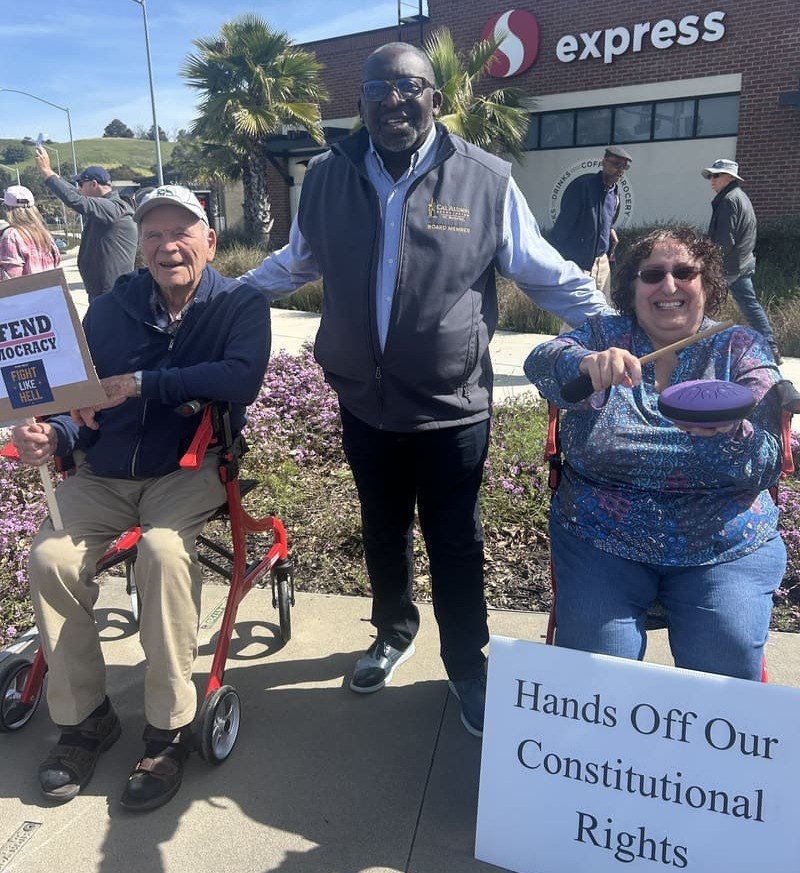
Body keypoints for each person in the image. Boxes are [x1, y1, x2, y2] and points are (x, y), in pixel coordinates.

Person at [240, 41, 609, 737]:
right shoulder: (327, 176)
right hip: (364, 401)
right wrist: (219, 295)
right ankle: (392, 628)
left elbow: (544, 272)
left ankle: (467, 664)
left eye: (409, 87)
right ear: (361, 105)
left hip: (451, 408)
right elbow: (295, 263)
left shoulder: (484, 179)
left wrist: (615, 323)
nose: (392, 102)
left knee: (455, 541)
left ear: (435, 98)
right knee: (381, 531)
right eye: (377, 90)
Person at [11, 185, 270, 811]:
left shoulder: (240, 303)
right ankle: (86, 719)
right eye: (152, 234)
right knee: (49, 559)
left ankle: (170, 723)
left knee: (162, 553)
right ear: (138, 247)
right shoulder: (108, 310)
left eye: (181, 232)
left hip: (188, 468)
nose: (166, 246)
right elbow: (78, 404)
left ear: (210, 241)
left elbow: (241, 378)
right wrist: (52, 434)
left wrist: (146, 384)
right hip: (102, 473)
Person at [524, 226, 785, 681]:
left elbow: (766, 460)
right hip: (600, 536)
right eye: (652, 274)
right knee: (597, 672)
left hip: (722, 542)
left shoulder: (740, 347)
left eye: (685, 272)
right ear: (632, 287)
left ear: (707, 283)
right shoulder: (607, 334)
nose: (669, 285)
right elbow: (543, 360)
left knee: (726, 658)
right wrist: (584, 364)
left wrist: (730, 430)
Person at [702, 157, 782, 364]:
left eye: (716, 175)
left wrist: (710, 263)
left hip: (729, 265)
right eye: (711, 175)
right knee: (749, 305)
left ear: (729, 177)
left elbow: (724, 240)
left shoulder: (729, 200)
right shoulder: (739, 197)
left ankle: (695, 345)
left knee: (700, 302)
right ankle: (771, 348)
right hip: (742, 262)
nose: (712, 179)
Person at [34, 150, 137, 302]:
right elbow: (76, 197)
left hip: (110, 292)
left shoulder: (112, 207)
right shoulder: (106, 209)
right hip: (104, 290)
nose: (78, 189)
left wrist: (47, 172)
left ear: (94, 184)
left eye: (81, 184)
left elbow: (75, 200)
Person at [549, 145, 633, 300]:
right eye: (616, 164)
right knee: (576, 316)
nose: (620, 170)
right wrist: (555, 262)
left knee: (602, 312)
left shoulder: (614, 193)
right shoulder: (583, 187)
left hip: (602, 263)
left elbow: (603, 220)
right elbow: (563, 226)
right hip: (579, 263)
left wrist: (609, 230)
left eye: (624, 167)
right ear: (604, 162)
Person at [0, 185, 61, 279]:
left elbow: (11, 277)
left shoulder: (11, 235)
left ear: (8, 209)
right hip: (50, 290)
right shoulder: (44, 234)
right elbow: (56, 262)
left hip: (28, 292)